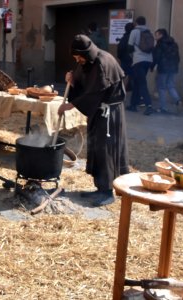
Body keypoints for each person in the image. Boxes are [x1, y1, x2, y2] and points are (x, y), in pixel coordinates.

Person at [58, 34, 129, 207]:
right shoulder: (87, 62)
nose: (77, 60)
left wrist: (71, 104)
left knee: (105, 149)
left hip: (108, 114)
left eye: (78, 57)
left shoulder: (102, 63)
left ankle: (107, 192)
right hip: (97, 111)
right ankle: (99, 187)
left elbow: (94, 93)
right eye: (75, 57)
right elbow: (84, 84)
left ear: (85, 52)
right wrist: (72, 80)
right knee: (96, 148)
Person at [126, 16, 155, 115]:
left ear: (136, 23)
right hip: (148, 61)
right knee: (137, 82)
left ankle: (149, 106)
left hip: (138, 60)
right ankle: (133, 105)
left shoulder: (134, 32)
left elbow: (130, 47)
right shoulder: (149, 32)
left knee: (141, 83)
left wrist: (131, 56)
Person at [151, 28, 181, 114]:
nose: (155, 37)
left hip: (163, 68)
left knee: (161, 87)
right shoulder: (174, 44)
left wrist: (152, 66)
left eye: (156, 35)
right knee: (171, 85)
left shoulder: (159, 44)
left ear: (161, 35)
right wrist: (175, 66)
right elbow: (178, 57)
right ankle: (177, 100)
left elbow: (156, 57)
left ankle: (163, 107)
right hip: (173, 68)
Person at [117, 22, 135, 91]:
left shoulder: (124, 38)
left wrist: (120, 57)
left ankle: (122, 90)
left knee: (123, 76)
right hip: (133, 60)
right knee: (132, 76)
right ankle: (134, 92)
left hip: (125, 59)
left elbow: (120, 48)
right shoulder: (134, 38)